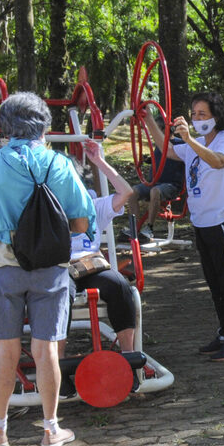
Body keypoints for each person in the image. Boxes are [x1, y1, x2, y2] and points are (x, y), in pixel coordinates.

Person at [0, 92, 95, 446]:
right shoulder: (60, 163)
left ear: (5, 127)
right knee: (47, 352)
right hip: (50, 268)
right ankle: (51, 430)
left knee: (5, 352)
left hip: (1, 266)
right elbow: (81, 222)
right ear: (45, 125)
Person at [146, 92, 224, 361]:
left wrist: (190, 140)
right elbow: (167, 150)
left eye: (202, 114)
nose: (197, 119)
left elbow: (217, 162)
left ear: (216, 117)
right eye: (194, 115)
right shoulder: (196, 143)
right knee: (215, 283)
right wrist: (148, 120)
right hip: (203, 222)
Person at [70, 139, 139, 353]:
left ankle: (128, 355)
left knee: (120, 285)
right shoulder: (43, 208)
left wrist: (99, 161)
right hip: (60, 270)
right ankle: (58, 365)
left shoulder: (90, 206)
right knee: (58, 294)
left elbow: (125, 192)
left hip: (89, 268)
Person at [126, 123, 186, 243]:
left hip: (172, 185)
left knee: (155, 191)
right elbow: (160, 160)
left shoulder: (180, 144)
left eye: (161, 129)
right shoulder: (159, 146)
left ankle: (149, 228)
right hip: (154, 183)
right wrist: (147, 160)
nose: (158, 132)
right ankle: (135, 228)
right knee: (132, 192)